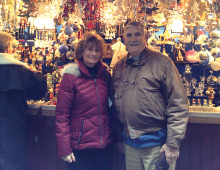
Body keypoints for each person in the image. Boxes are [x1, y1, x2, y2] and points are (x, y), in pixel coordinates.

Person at [111, 21, 189, 170]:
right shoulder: (119, 67)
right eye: (129, 35)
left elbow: (178, 104)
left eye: (137, 34)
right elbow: (114, 107)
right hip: (129, 145)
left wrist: (173, 143)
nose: (133, 39)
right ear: (124, 39)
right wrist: (119, 139)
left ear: (145, 37)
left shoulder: (163, 63)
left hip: (158, 146)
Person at [55, 31, 114, 170]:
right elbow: (62, 115)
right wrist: (64, 148)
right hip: (79, 146)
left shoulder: (105, 75)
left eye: (97, 50)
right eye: (90, 49)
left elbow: (112, 109)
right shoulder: (71, 77)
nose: (93, 53)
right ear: (81, 51)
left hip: (103, 145)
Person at [0, 31, 47, 170]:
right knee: (12, 163)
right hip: (12, 128)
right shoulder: (19, 69)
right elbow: (39, 91)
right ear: (8, 48)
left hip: (11, 127)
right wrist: (37, 73)